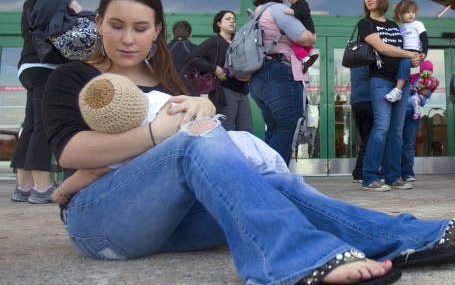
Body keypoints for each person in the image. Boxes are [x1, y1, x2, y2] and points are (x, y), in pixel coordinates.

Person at [41, 0, 455, 285]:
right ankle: (292, 258)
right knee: (195, 139)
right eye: (116, 25)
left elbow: (188, 149)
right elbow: (71, 152)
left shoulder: (168, 81)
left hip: (165, 224)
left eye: (141, 28)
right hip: (100, 223)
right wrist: (163, 131)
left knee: (272, 184)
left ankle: (405, 238)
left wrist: (199, 108)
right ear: (98, 21)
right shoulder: (76, 77)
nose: (128, 38)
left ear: (158, 30)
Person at [53, 73, 288, 204]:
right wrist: (204, 104)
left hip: (221, 162)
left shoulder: (126, 144)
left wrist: (63, 190)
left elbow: (91, 172)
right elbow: (198, 109)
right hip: (240, 143)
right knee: (281, 184)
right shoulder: (159, 98)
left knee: (261, 195)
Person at [10, 0, 82, 204]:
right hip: (45, 67)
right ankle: (41, 187)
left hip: (27, 66)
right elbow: (58, 29)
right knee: (43, 125)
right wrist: (77, 12)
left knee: (30, 125)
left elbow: (28, 31)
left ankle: (23, 185)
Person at [249, 0, 317, 165]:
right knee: (289, 124)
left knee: (274, 126)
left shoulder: (257, 12)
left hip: (260, 76)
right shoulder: (278, 9)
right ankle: (275, 179)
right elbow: (304, 37)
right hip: (279, 73)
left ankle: (265, 176)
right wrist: (313, 38)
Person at [359, 0, 421, 192]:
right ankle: (369, 177)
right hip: (380, 81)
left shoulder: (395, 25)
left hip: (400, 82)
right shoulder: (365, 23)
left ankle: (393, 176)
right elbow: (383, 48)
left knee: (397, 130)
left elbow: (408, 50)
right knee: (382, 127)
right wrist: (407, 54)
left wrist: (416, 57)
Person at [184, 11, 253, 132]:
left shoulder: (238, 42)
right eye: (228, 19)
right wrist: (214, 68)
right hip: (225, 92)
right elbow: (191, 58)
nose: (232, 21)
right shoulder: (214, 42)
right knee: (225, 130)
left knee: (247, 132)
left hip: (243, 91)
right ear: (219, 23)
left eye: (234, 19)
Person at [385, 0, 429, 103]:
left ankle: (398, 90)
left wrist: (424, 52)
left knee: (405, 62)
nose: (411, 14)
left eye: (413, 12)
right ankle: (405, 85)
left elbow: (424, 38)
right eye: (408, 12)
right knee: (400, 66)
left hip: (413, 51)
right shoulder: (400, 28)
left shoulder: (418, 24)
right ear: (400, 14)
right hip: (403, 52)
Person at [401, 60, 438, 183]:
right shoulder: (412, 77)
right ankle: (390, 171)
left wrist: (421, 85)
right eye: (425, 69)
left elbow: (429, 88)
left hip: (413, 114)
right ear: (421, 70)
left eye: (430, 70)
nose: (428, 72)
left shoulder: (432, 81)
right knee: (395, 143)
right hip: (400, 111)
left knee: (409, 144)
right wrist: (409, 85)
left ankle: (407, 173)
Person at [284, 0, 319, 73]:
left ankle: (305, 58)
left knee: (294, 43)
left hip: (306, 31)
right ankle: (312, 52)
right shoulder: (295, 5)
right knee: (302, 43)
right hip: (307, 31)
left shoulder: (302, 3)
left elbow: (303, 13)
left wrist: (293, 12)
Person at [350, 65, 374, 184]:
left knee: (366, 139)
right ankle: (359, 172)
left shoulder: (354, 60)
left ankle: (359, 172)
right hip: (369, 99)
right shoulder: (370, 57)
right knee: (369, 140)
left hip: (355, 102)